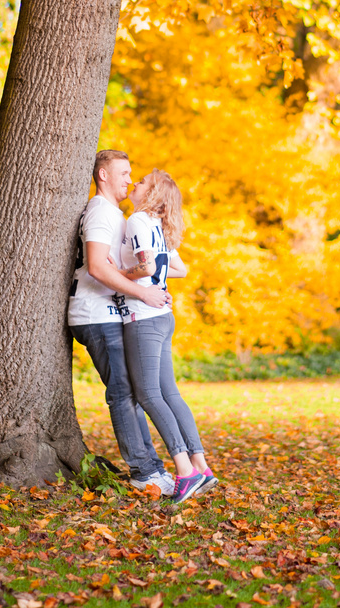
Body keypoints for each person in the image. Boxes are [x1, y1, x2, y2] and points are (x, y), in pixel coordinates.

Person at [68, 150, 174, 496]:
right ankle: (144, 472)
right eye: (124, 173)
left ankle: (151, 468)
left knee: (131, 391)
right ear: (102, 175)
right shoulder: (100, 212)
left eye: (132, 174)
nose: (130, 180)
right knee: (124, 393)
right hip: (96, 315)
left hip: (112, 313)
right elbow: (97, 267)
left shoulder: (116, 215)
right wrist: (143, 295)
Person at [114, 169, 218, 505]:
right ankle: (201, 467)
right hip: (162, 317)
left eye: (142, 181)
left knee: (148, 395)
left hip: (144, 318)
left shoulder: (138, 221)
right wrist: (157, 278)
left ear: (153, 192)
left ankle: (185, 472)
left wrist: (118, 274)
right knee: (169, 393)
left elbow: (144, 267)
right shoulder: (157, 226)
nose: (135, 183)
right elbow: (179, 269)